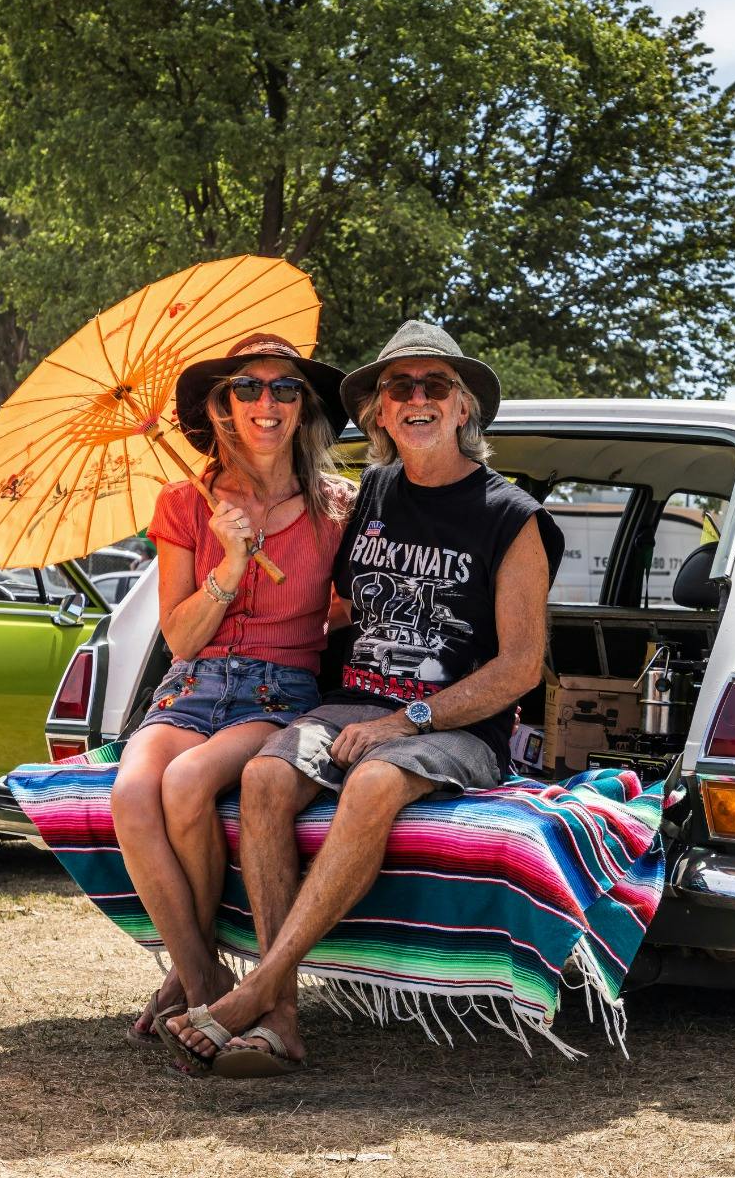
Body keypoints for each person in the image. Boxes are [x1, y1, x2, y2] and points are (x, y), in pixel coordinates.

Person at [163, 320, 562, 1077]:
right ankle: (279, 1023)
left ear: (463, 408)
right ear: (379, 412)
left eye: (434, 385)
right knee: (265, 777)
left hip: (456, 724)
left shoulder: (512, 517)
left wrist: (405, 719)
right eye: (397, 387)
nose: (416, 398)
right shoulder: (371, 494)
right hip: (353, 701)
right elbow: (343, 602)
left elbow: (520, 667)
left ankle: (258, 995)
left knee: (375, 781)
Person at [111, 333, 352, 1060]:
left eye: (284, 389)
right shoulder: (186, 504)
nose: (266, 402)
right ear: (222, 406)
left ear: (302, 406)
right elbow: (181, 638)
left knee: (186, 781)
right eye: (247, 388)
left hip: (279, 691)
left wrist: (312, 606)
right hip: (192, 685)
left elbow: (351, 610)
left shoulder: (337, 506)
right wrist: (234, 560)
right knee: (131, 793)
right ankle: (203, 975)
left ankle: (197, 987)